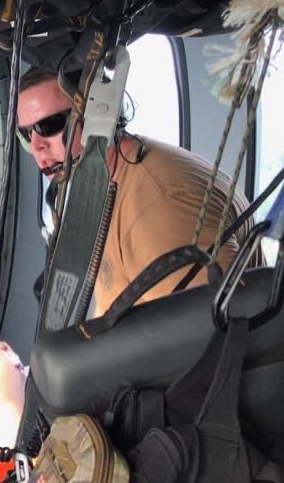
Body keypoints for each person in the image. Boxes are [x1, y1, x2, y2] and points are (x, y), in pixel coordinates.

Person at [17, 67, 251, 316]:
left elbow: (203, 335)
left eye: (48, 125)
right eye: (25, 133)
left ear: (99, 115)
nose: (36, 146)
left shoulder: (157, 205)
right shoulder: (97, 183)